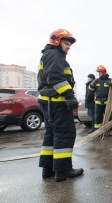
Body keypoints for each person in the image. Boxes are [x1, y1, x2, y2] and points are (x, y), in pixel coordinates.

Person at [37, 28, 83, 182]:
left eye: (70, 43)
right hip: (57, 102)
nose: (69, 46)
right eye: (66, 42)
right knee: (64, 134)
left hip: (50, 102)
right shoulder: (54, 55)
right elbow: (55, 78)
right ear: (56, 41)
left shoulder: (51, 55)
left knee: (51, 135)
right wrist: (69, 96)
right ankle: (63, 171)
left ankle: (48, 169)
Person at [89, 65, 112, 134]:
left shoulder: (110, 80)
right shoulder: (96, 81)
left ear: (104, 72)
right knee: (97, 119)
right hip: (98, 103)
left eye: (99, 72)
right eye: (98, 72)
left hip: (107, 103)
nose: (98, 73)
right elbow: (90, 89)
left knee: (108, 118)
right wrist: (92, 85)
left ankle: (108, 131)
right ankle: (98, 132)